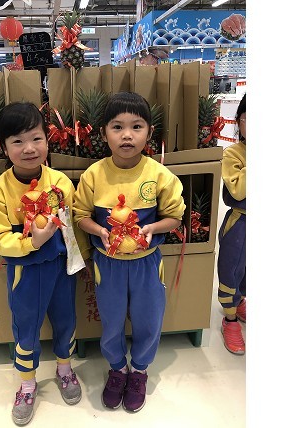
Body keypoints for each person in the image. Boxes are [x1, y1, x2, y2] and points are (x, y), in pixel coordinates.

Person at [73, 92, 185, 413]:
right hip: (107, 263)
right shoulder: (94, 175)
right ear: (103, 133)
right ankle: (117, 369)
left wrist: (153, 228)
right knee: (111, 320)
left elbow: (175, 216)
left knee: (149, 318)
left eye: (136, 127)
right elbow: (80, 215)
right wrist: (99, 230)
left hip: (146, 264)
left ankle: (139, 371)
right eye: (117, 127)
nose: (127, 135)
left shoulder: (159, 175)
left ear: (149, 133)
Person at [0, 102, 90, 426]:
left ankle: (64, 369)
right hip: (24, 272)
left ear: (47, 140)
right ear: (4, 147)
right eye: (17, 141)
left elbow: (73, 227)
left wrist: (81, 259)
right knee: (26, 326)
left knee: (66, 318)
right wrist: (32, 242)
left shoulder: (60, 183)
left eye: (36, 138)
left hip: (60, 268)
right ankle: (27, 384)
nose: (29, 148)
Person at [217, 93, 247, 355]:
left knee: (248, 271)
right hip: (241, 223)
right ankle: (230, 318)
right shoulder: (233, 154)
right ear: (239, 121)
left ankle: (240, 301)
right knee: (231, 270)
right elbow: (238, 191)